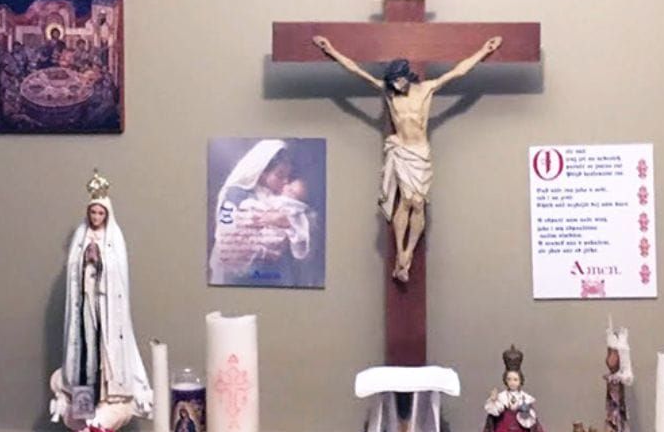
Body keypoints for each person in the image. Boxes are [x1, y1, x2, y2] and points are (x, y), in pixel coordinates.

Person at [312, 34, 502, 281]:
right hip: (402, 151)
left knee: (418, 203)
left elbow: (459, 71)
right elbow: (357, 71)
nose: (395, 85)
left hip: (420, 153)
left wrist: (484, 51)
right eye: (391, 82)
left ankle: (408, 252)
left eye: (397, 80)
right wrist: (331, 50)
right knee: (404, 202)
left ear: (406, 76)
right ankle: (401, 253)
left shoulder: (426, 89)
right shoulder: (390, 93)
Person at [50, 170, 152, 431]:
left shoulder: (114, 239)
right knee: (85, 352)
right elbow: (73, 269)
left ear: (107, 215)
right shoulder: (81, 237)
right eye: (93, 213)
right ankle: (84, 407)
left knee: (106, 352)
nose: (96, 218)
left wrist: (101, 261)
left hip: (107, 309)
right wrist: (84, 259)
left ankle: (107, 397)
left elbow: (119, 274)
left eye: (100, 213)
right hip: (85, 305)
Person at [209, 139, 314, 286]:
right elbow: (227, 236)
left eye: (287, 176)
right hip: (244, 273)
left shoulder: (283, 198)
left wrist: (287, 222)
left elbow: (300, 229)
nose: (285, 181)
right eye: (280, 175)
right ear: (263, 172)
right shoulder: (236, 193)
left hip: (277, 273)